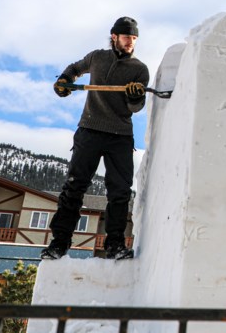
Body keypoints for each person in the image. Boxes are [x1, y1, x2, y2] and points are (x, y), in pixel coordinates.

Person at [41, 16, 150, 261]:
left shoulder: (139, 69)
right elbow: (74, 69)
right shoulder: (97, 57)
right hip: (89, 130)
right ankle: (59, 244)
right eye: (126, 37)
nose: (130, 42)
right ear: (114, 37)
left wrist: (134, 96)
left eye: (134, 38)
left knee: (120, 192)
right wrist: (64, 82)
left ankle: (115, 246)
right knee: (74, 186)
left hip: (120, 136)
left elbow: (136, 107)